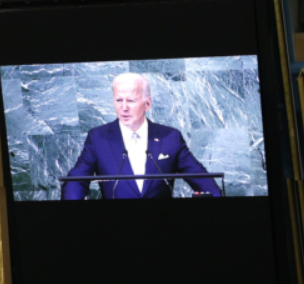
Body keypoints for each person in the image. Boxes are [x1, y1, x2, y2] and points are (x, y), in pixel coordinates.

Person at [63, 74, 221, 200]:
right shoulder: (98, 138)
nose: (124, 107)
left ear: (147, 104)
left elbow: (201, 179)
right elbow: (76, 180)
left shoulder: (170, 137)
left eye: (131, 100)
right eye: (119, 100)